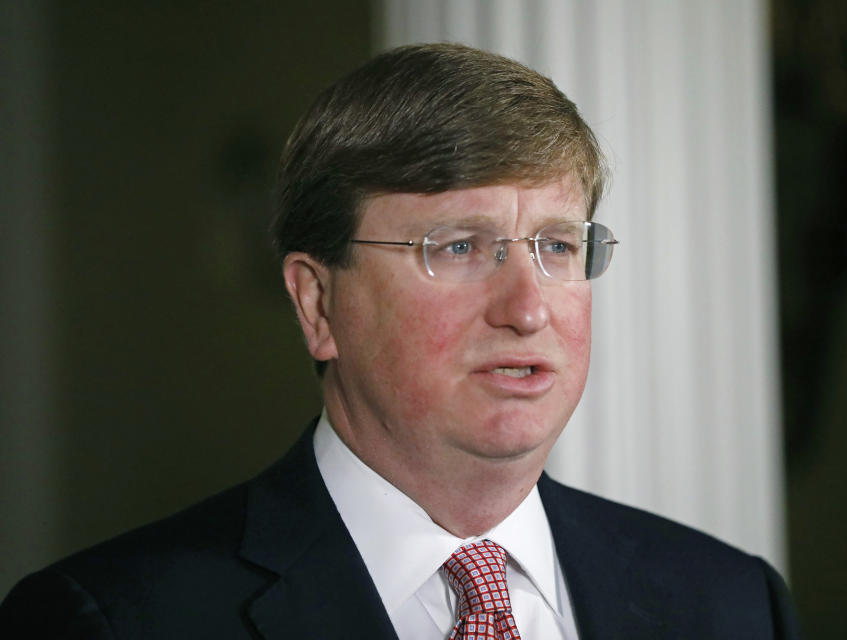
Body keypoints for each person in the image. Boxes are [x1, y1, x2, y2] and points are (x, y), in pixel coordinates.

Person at [0, 43, 800, 639]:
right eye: (458, 247)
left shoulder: (732, 603)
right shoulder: (112, 620)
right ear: (318, 304)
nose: (527, 309)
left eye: (557, 247)